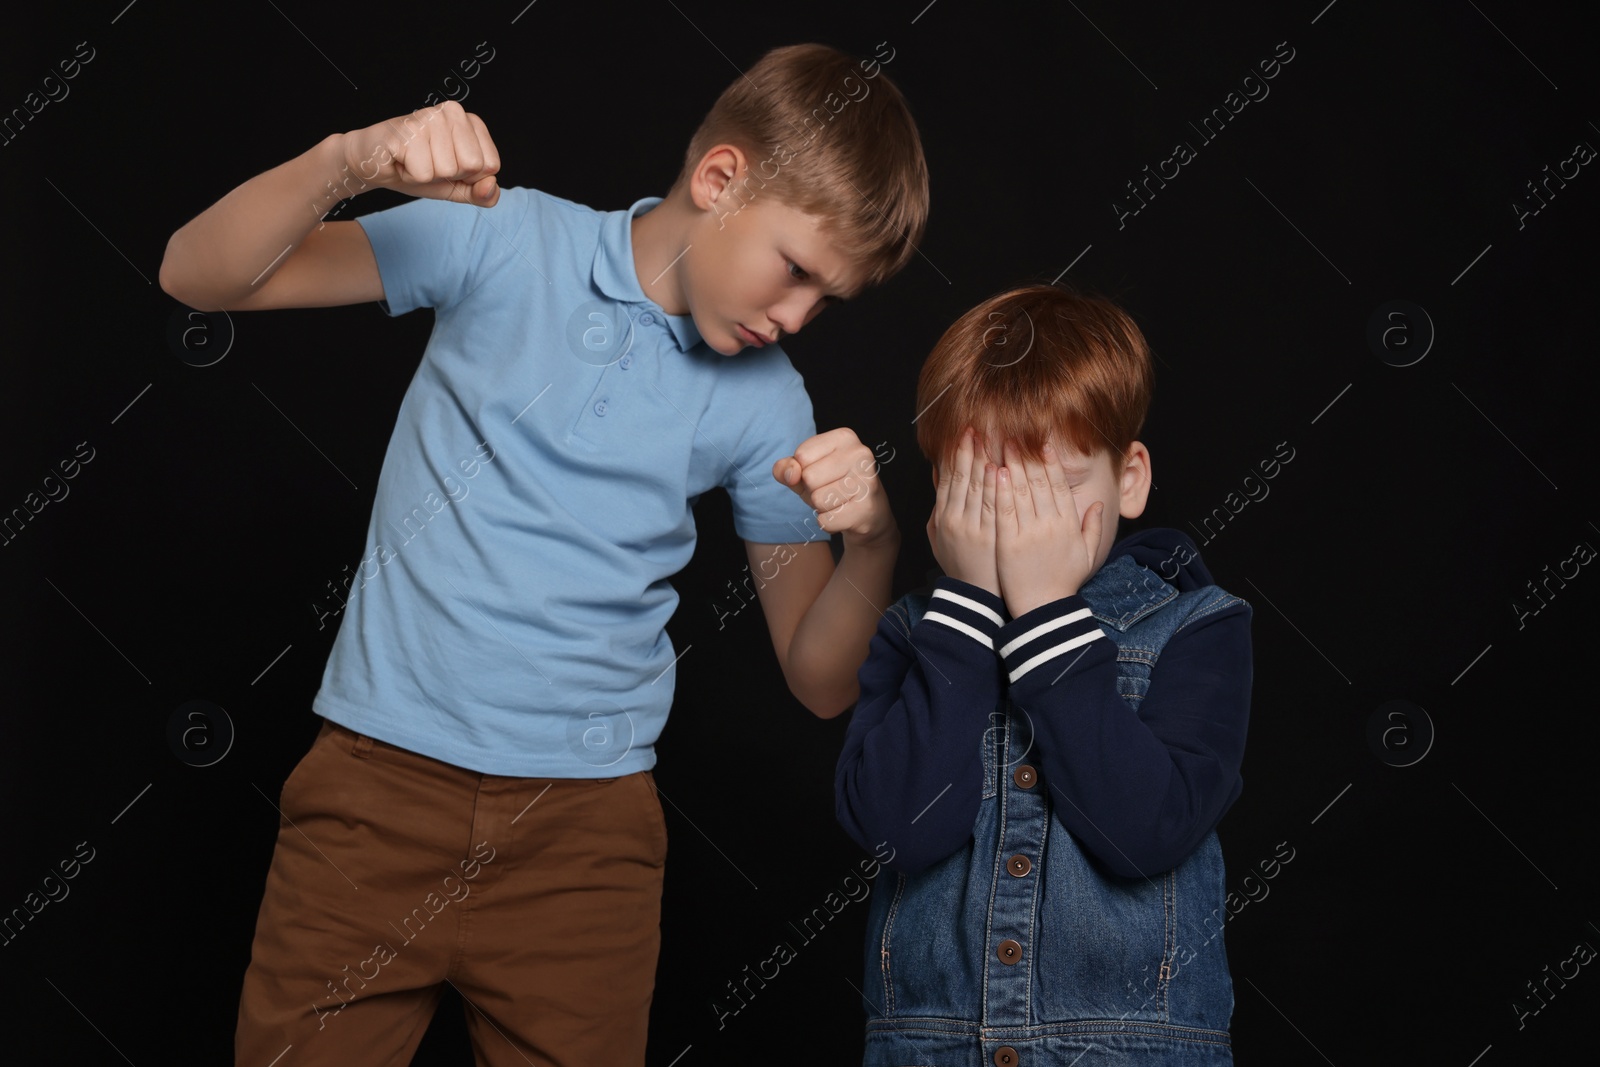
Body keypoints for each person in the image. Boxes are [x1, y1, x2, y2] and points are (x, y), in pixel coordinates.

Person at [159, 42, 927, 1066]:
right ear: (720, 180)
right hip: (374, 792)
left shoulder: (769, 400)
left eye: (827, 300)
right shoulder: (498, 237)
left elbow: (821, 678)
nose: (795, 316)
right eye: (795, 269)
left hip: (584, 843)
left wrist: (872, 538)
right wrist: (350, 160)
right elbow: (196, 274)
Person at [835, 285, 1252, 1065]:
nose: (1021, 532)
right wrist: (964, 613)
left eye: (1053, 495)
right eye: (987, 497)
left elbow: (1143, 832)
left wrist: (1045, 613)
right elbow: (898, 830)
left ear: (1128, 479)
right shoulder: (914, 632)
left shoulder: (1197, 627)